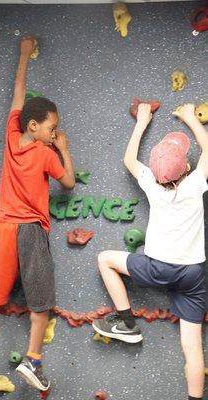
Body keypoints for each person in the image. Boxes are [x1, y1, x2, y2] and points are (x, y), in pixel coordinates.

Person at [0, 36, 75, 392]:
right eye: (51, 128)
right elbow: (68, 183)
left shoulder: (11, 137)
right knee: (41, 302)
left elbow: (19, 92)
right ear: (35, 126)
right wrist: (63, 149)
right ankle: (33, 361)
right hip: (30, 230)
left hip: (3, 228)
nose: (54, 133)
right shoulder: (48, 154)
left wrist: (23, 55)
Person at [92, 103, 208, 400]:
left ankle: (126, 320)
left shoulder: (152, 186)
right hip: (192, 275)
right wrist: (190, 119)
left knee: (105, 259)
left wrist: (142, 121)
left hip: (156, 268)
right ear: (186, 167)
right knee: (192, 347)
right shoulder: (195, 184)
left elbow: (129, 158)